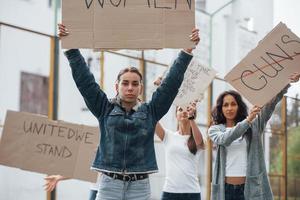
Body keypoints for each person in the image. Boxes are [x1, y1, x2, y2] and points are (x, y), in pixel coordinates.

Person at [58, 23, 200, 200]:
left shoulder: (151, 111)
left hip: (140, 187)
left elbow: (170, 84)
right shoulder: (104, 108)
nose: (130, 87)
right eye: (125, 83)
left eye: (135, 84)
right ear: (116, 86)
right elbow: (85, 81)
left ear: (141, 88)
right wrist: (71, 49)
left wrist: (186, 52)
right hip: (109, 184)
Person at [208, 72, 300, 200]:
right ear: (220, 108)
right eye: (225, 105)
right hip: (225, 190)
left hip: (250, 189)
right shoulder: (215, 129)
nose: (229, 108)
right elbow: (225, 139)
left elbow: (270, 105)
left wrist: (286, 83)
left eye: (233, 104)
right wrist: (247, 120)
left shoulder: (254, 125)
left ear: (239, 106)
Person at [154, 77, 206, 200]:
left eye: (186, 109)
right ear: (176, 115)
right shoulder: (168, 136)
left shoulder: (198, 137)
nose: (183, 112)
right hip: (170, 191)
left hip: (192, 192)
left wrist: (192, 118)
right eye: (179, 109)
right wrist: (159, 90)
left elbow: (201, 144)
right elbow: (153, 117)